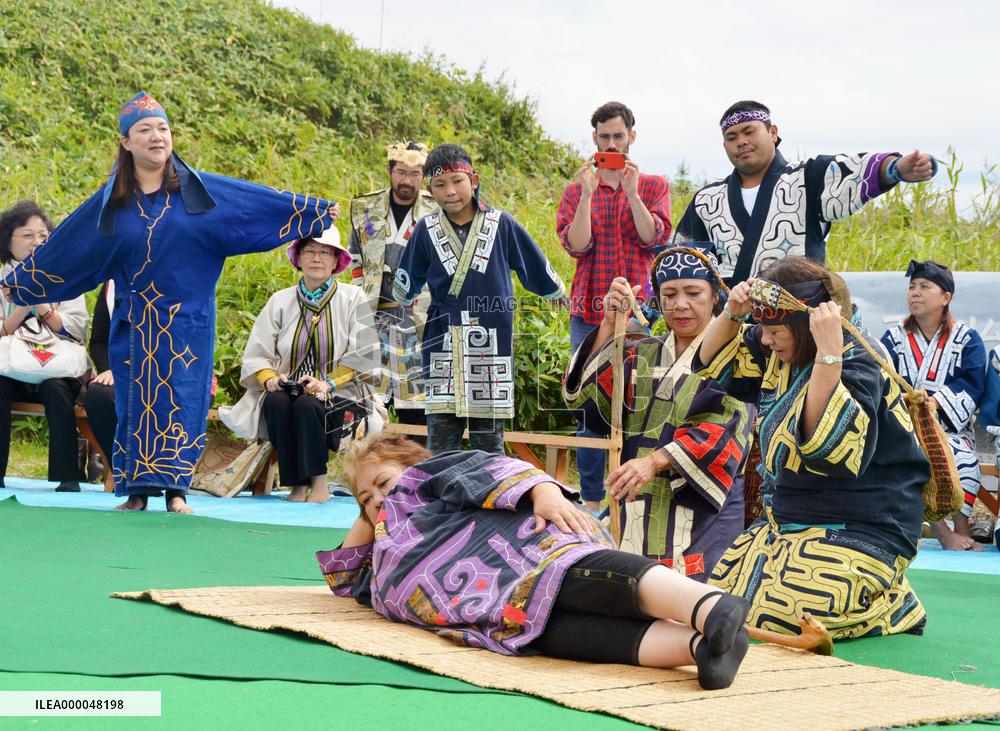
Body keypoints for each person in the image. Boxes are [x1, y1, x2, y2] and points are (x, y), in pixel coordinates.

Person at [2, 91, 339, 514]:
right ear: (126, 142)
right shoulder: (112, 203)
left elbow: (254, 204)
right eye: (144, 130)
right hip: (136, 321)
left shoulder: (201, 193)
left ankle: (177, 490)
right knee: (135, 404)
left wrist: (311, 212)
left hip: (188, 322)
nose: (156, 137)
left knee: (183, 400)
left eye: (163, 128)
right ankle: (137, 491)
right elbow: (73, 244)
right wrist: (25, 282)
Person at [317, 433, 752, 691]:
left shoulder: (426, 481)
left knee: (591, 580)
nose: (379, 499)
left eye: (383, 483)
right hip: (500, 615)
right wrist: (368, 506)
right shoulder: (381, 554)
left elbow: (490, 467)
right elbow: (345, 575)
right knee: (579, 638)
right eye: (365, 499)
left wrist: (543, 492)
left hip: (528, 557)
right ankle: (700, 650)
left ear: (413, 468)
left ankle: (710, 607)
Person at [694, 257, 928, 639]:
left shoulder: (859, 360)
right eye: (762, 330)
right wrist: (732, 315)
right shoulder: (780, 344)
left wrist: (828, 356)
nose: (764, 339)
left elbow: (828, 451)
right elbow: (709, 365)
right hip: (785, 526)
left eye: (772, 331)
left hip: (863, 526)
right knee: (719, 601)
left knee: (779, 615)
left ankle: (894, 603)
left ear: (804, 325)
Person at [562, 244, 753, 579]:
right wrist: (609, 325)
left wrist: (654, 461)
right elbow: (586, 405)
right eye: (669, 294)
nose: (680, 304)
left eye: (693, 292)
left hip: (703, 511)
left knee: (693, 598)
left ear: (715, 297)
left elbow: (728, 428)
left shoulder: (736, 355)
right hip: (635, 502)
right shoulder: (642, 353)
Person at [392, 144, 565, 454]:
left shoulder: (502, 224)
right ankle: (444, 500)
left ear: (473, 180)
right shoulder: (426, 230)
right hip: (442, 340)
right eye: (439, 184)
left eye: (457, 181)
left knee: (488, 440)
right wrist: (402, 297)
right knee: (442, 438)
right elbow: (408, 279)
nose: (450, 191)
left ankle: (490, 500)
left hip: (491, 341)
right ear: (430, 190)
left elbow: (532, 262)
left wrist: (554, 292)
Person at [672, 100, 938, 286]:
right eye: (731, 137)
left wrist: (895, 169)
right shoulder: (707, 200)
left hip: (799, 322)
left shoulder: (807, 177)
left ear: (772, 132)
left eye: (749, 131)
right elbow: (681, 259)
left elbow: (853, 171)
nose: (741, 141)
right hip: (730, 326)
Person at [557, 101, 672, 513]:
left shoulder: (654, 185)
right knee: (589, 405)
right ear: (594, 139)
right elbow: (578, 245)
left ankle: (626, 497)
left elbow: (653, 239)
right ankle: (590, 499)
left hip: (642, 310)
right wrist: (588, 196)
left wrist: (632, 194)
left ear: (631, 137)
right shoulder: (576, 190)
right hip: (588, 310)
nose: (611, 143)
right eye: (604, 137)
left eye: (618, 137)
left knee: (639, 403)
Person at [221, 228, 382, 503]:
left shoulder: (353, 297)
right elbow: (258, 352)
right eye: (309, 251)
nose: (316, 258)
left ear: (336, 261)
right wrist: (270, 378)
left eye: (324, 252)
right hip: (290, 390)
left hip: (343, 395)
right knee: (276, 402)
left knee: (309, 404)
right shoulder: (280, 301)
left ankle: (319, 484)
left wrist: (326, 383)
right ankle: (296, 485)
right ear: (298, 258)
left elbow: (365, 353)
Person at [881, 261, 987, 551]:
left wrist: (936, 402)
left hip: (950, 429)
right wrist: (911, 406)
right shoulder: (893, 339)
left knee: (962, 457)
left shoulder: (967, 339)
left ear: (945, 297)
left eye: (925, 286)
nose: (915, 293)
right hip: (902, 428)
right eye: (912, 287)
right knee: (912, 454)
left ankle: (961, 528)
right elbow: (881, 380)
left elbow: (973, 382)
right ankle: (944, 533)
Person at [0, 201, 89, 491]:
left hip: (55, 365)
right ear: (7, 240)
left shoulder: (67, 277)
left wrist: (42, 305)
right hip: (9, 366)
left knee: (57, 389)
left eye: (42, 235)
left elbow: (77, 328)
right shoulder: (2, 279)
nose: (37, 242)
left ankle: (66, 478)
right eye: (28, 235)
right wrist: (19, 308)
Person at [348, 141, 439, 426]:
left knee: (417, 405)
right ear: (389, 170)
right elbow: (355, 261)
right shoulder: (366, 208)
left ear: (423, 176)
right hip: (373, 314)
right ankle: (367, 466)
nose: (407, 181)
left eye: (415, 174)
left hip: (419, 318)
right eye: (401, 172)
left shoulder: (437, 211)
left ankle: (416, 468)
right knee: (369, 402)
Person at [84, 279, 117, 475]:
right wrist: (107, 369)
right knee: (98, 394)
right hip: (121, 371)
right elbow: (98, 341)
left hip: (166, 371)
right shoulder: (111, 286)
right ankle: (122, 471)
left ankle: (160, 476)